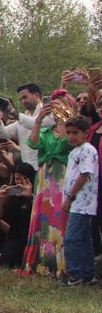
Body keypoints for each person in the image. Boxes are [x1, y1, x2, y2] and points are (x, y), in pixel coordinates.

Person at [21, 91, 72, 276]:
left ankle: (61, 264)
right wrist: (39, 119)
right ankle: (41, 262)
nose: (55, 108)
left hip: (62, 177)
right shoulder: (45, 131)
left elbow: (66, 143)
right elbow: (33, 143)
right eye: (53, 105)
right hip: (44, 178)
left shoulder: (72, 130)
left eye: (60, 105)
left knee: (60, 219)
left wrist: (64, 121)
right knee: (42, 219)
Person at [61, 115, 98, 285]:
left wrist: (69, 196)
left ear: (86, 133)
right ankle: (88, 274)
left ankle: (74, 275)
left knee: (72, 238)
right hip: (77, 202)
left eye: (75, 132)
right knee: (83, 239)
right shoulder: (74, 151)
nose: (71, 136)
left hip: (82, 202)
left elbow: (84, 174)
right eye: (68, 132)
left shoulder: (87, 150)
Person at [0, 163, 35, 268]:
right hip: (15, 236)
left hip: (32, 236)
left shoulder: (37, 195)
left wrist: (29, 197)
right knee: (6, 262)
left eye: (24, 179)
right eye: (17, 179)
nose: (20, 183)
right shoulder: (11, 197)